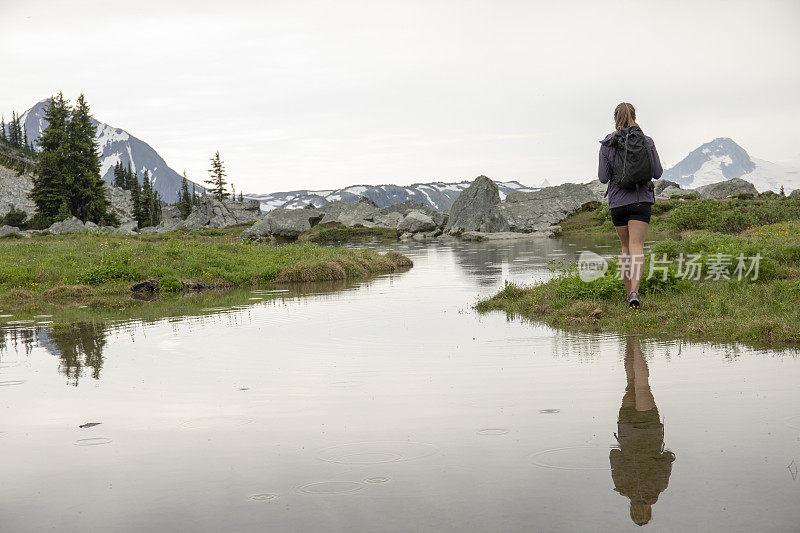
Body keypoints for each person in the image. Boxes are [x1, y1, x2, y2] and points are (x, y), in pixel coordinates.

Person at [599, 103, 663, 309]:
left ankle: (628, 295)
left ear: (614, 117)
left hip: (618, 203)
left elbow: (603, 177)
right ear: (635, 116)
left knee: (625, 248)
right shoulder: (647, 141)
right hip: (641, 200)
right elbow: (658, 173)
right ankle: (635, 291)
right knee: (637, 247)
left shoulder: (608, 143)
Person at [609, 336, 675, 526]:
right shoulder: (622, 487)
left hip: (650, 432)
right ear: (631, 508)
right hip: (627, 432)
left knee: (642, 385)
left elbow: (668, 457)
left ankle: (635, 338)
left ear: (650, 510)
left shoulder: (659, 486)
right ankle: (630, 339)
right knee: (631, 383)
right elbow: (614, 455)